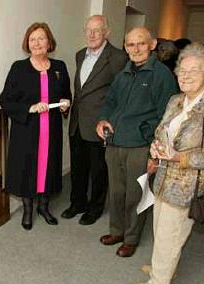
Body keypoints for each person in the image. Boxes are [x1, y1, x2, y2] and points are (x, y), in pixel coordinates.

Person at [132, 43, 204, 284]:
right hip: (164, 178)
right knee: (162, 229)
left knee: (171, 232)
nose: (185, 75)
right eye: (182, 70)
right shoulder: (176, 100)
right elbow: (162, 131)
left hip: (190, 184)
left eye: (194, 71)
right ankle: (164, 266)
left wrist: (181, 157)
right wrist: (157, 148)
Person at [95, 27, 178, 257]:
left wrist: (154, 153)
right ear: (125, 47)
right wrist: (102, 119)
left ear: (152, 44)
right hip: (114, 143)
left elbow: (167, 117)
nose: (136, 49)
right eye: (130, 44)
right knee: (117, 192)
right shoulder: (124, 73)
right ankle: (117, 231)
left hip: (141, 146)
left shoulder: (161, 75)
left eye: (141, 43)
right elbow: (110, 101)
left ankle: (131, 238)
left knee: (136, 194)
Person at [0, 22, 72, 231]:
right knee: (27, 169)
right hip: (27, 131)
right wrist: (29, 108)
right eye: (32, 39)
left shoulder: (60, 67)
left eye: (41, 38)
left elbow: (66, 95)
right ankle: (28, 210)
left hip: (52, 130)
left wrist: (66, 105)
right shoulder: (18, 68)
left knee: (48, 168)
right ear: (27, 43)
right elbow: (5, 101)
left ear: (49, 42)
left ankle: (44, 207)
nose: (37, 43)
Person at [61, 15, 127, 226]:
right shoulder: (80, 55)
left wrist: (111, 121)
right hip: (77, 123)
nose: (92, 34)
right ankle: (77, 203)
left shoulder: (117, 57)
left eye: (97, 30)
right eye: (88, 30)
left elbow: (120, 94)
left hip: (99, 125)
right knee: (77, 168)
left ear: (106, 32)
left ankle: (95, 207)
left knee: (99, 170)